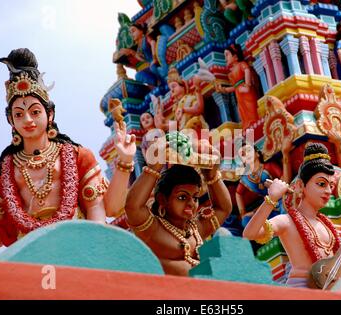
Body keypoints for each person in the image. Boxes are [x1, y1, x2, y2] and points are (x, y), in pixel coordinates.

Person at [0, 48, 136, 260]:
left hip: (78, 248)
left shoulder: (77, 155)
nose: (28, 120)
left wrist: (124, 162)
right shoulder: (5, 168)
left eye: (35, 112)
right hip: (30, 253)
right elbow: (2, 224)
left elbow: (105, 208)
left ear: (49, 114)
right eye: (18, 114)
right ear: (11, 121)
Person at [243, 143, 341, 288]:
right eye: (321, 184)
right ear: (300, 186)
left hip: (331, 290)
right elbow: (250, 233)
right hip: (302, 291)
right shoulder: (287, 222)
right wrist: (272, 199)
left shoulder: (329, 228)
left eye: (331, 186)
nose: (328, 191)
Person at [124, 138, 232, 276]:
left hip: (208, 290)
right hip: (168, 293)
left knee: (224, 235)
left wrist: (211, 176)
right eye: (182, 197)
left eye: (195, 197)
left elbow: (224, 208)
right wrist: (153, 168)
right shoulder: (152, 229)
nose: (191, 203)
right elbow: (133, 207)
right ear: (162, 199)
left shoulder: (197, 228)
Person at [236, 142, 291, 228]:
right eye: (243, 154)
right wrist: (242, 212)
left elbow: (285, 181)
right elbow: (238, 193)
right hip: (268, 205)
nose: (246, 154)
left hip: (281, 199)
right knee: (246, 221)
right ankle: (267, 235)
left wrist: (285, 154)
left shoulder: (269, 167)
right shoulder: (245, 179)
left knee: (285, 208)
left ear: (257, 153)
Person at [215, 44, 260, 131]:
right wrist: (223, 89)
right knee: (242, 110)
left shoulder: (241, 64)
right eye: (225, 56)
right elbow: (234, 87)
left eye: (227, 54)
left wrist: (247, 85)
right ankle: (246, 124)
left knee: (250, 107)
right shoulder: (231, 74)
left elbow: (247, 70)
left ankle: (253, 121)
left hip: (246, 91)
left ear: (235, 56)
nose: (225, 58)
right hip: (239, 95)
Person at [167, 67, 209, 135]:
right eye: (170, 89)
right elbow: (175, 125)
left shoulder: (189, 98)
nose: (171, 90)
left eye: (174, 86)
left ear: (183, 86)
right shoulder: (176, 108)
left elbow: (199, 108)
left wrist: (184, 110)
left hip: (195, 130)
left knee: (193, 122)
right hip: (185, 134)